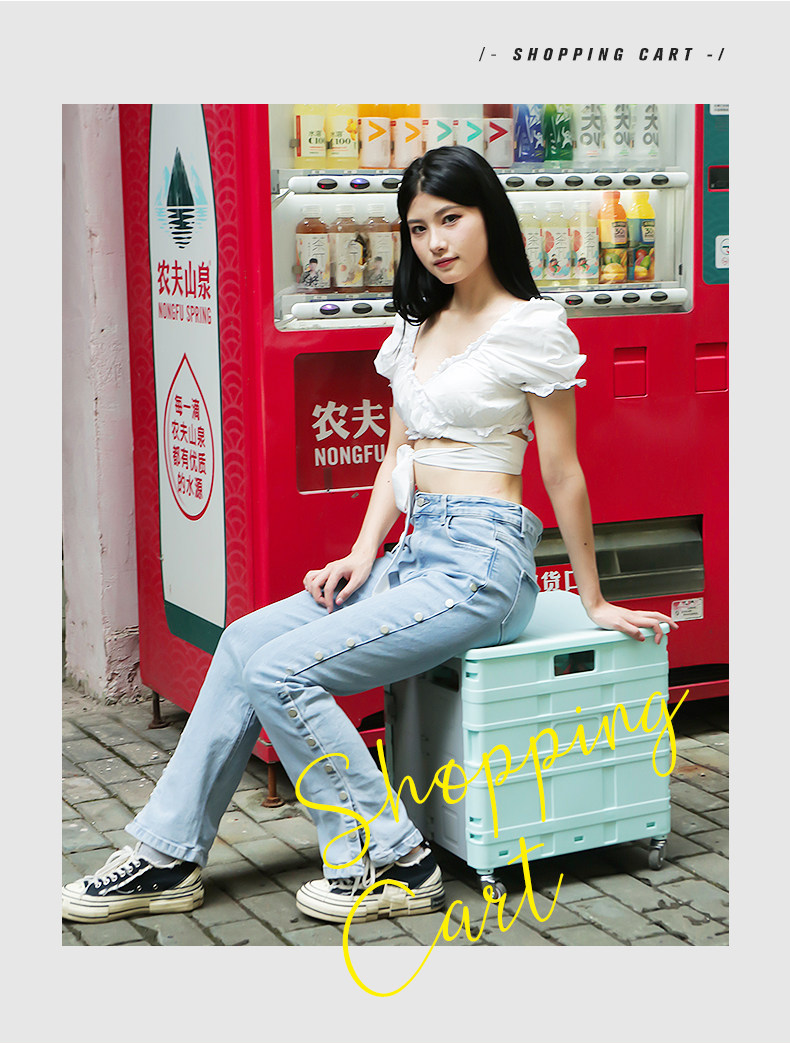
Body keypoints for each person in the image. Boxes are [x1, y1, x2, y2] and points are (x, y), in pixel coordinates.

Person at [62, 146, 676, 927]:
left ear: (490, 216)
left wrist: (593, 599)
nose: (436, 242)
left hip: (482, 566)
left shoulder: (532, 327)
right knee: (246, 642)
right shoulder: (416, 323)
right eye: (418, 228)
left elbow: (564, 473)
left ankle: (394, 860)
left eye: (451, 219)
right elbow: (397, 456)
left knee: (283, 672)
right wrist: (362, 552)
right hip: (414, 552)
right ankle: (169, 854)